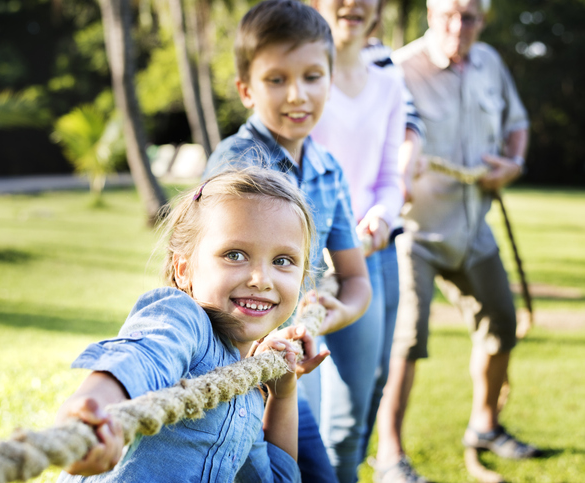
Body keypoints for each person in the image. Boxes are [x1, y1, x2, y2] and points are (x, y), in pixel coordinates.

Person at [55, 168, 330, 482]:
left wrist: (283, 394)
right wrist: (89, 413)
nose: (261, 280)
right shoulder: (183, 319)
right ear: (183, 269)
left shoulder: (247, 394)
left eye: (282, 261)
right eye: (235, 254)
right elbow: (141, 357)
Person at [204, 1, 372, 481]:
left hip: (283, 374)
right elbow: (211, 280)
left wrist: (338, 311)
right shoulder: (237, 164)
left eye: (312, 77)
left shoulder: (327, 170)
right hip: (231, 371)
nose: (297, 95)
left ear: (330, 80)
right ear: (246, 90)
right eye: (276, 79)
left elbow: (356, 277)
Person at [373, 0, 540, 481]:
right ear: (430, 14)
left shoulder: (490, 63)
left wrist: (513, 163)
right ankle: (389, 456)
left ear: (482, 21)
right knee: (406, 341)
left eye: (468, 17)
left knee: (503, 322)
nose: (457, 26)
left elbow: (518, 124)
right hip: (414, 233)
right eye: (448, 14)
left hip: (474, 227)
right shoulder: (400, 68)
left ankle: (486, 426)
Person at [307, 1, 411, 481]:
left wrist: (381, 217)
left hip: (374, 253)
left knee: (367, 391)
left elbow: (391, 176)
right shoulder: (303, 80)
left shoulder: (390, 84)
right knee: (301, 405)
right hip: (309, 263)